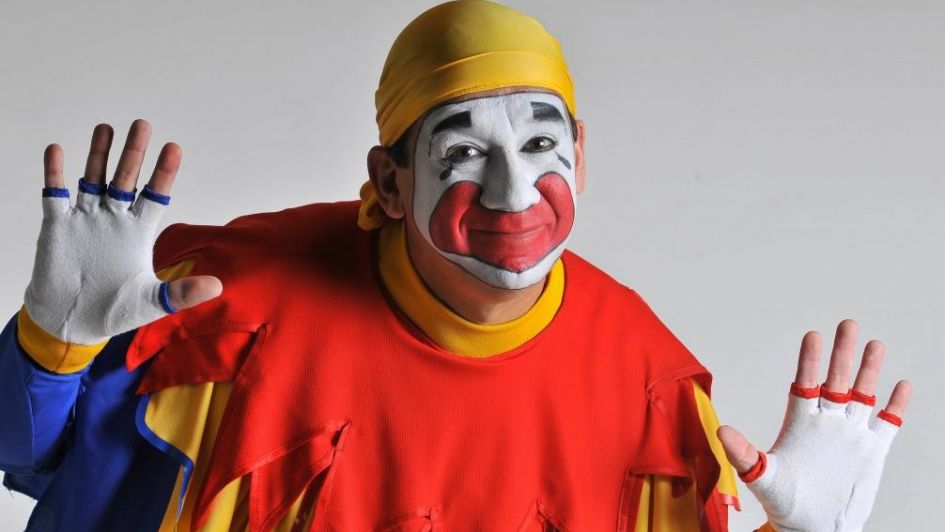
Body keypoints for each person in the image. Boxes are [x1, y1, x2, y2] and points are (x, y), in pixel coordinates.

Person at [0, 1, 910, 531]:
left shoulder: (646, 385)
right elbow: (27, 460)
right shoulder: (229, 302)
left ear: (581, 157)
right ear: (390, 183)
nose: (513, 192)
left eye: (540, 144)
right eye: (464, 152)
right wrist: (49, 346)